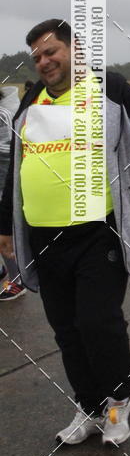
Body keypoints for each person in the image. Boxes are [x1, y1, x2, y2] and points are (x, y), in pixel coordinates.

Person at [0, 19, 130, 445]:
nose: (43, 61)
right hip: (42, 235)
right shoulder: (33, 99)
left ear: (75, 49)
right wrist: (4, 227)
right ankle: (89, 406)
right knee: (66, 329)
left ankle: (121, 401)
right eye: (35, 56)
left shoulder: (109, 89)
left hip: (97, 232)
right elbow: (16, 167)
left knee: (97, 322)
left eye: (51, 51)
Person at [0, 86, 24, 298]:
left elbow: (8, 149)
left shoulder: (4, 114)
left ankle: (17, 281)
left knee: (4, 235)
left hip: (4, 184)